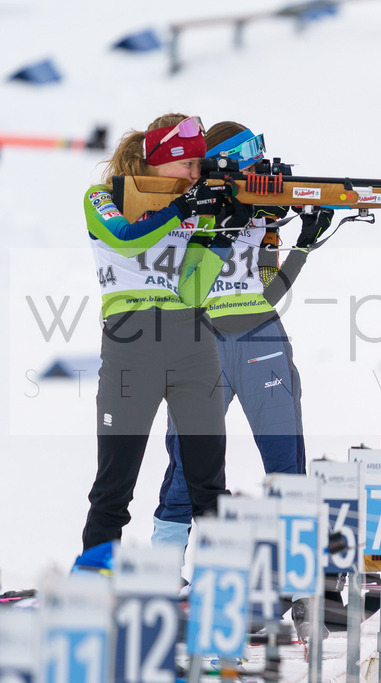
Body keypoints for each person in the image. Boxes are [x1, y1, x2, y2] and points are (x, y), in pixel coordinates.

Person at [151, 121, 334, 552]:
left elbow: (268, 289)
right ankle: (161, 575)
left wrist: (303, 245)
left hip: (258, 339)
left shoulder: (261, 210)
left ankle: (296, 578)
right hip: (200, 344)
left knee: (286, 469)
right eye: (250, 154)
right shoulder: (180, 203)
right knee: (184, 472)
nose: (259, 162)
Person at [77, 113, 250, 565]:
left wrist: (225, 232)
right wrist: (181, 209)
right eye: (190, 165)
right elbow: (127, 238)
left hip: (192, 341)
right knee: (114, 487)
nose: (197, 175)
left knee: (209, 486)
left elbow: (193, 290)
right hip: (131, 343)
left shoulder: (192, 208)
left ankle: (220, 588)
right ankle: (95, 582)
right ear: (163, 160)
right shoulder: (104, 197)